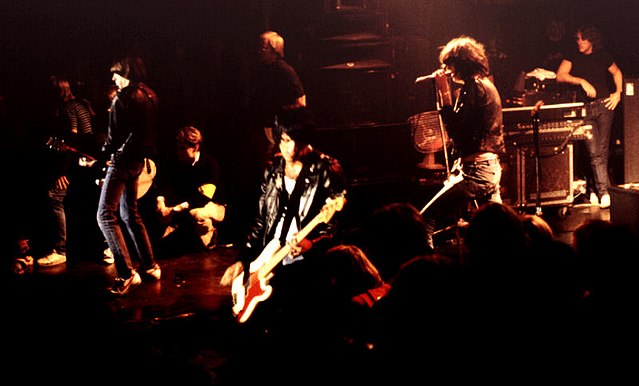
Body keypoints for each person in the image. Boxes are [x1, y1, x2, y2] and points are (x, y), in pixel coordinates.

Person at [220, 106, 346, 326]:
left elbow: (334, 226)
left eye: (297, 141)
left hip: (304, 260)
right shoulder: (273, 169)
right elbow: (260, 221)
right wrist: (244, 260)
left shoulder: (326, 169)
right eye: (286, 140)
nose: (291, 148)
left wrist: (312, 244)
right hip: (272, 253)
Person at [422, 35, 506, 251]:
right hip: (485, 167)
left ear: (460, 63)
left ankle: (426, 269)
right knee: (499, 231)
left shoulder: (475, 88)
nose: (447, 70)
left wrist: (443, 92)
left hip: (477, 171)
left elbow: (458, 130)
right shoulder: (480, 86)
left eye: (449, 64)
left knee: (425, 219)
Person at [97, 56, 161, 296]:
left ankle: (126, 273)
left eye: (117, 74)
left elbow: (113, 139)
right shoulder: (152, 95)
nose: (113, 78)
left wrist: (100, 157)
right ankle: (150, 265)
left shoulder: (122, 99)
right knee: (129, 213)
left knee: (105, 215)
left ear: (127, 74)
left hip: (122, 161)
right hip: (138, 160)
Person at [556, 25, 622, 209]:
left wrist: (618, 93)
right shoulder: (573, 56)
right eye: (577, 39)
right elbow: (560, 76)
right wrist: (582, 81)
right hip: (585, 109)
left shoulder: (603, 56)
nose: (578, 42)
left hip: (605, 106)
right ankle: (605, 193)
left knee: (602, 151)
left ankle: (594, 188)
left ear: (590, 40)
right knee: (594, 152)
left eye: (581, 39)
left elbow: (617, 73)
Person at [35, 76, 97, 266]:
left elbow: (73, 140)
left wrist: (62, 171)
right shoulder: (79, 105)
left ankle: (60, 250)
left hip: (77, 161)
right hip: (82, 159)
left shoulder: (69, 108)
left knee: (54, 196)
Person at [154, 126, 226, 256]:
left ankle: (210, 235)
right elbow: (166, 183)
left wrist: (176, 209)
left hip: (214, 205)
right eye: (178, 148)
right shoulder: (179, 163)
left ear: (196, 147)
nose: (179, 152)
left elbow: (203, 198)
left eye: (183, 149)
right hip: (187, 204)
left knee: (197, 213)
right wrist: (161, 201)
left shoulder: (209, 164)